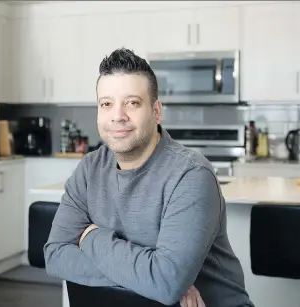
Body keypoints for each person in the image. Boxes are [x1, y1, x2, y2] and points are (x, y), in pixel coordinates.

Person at [43, 48, 254, 307]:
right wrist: (151, 278)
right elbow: (55, 255)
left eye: (132, 102)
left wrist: (90, 238)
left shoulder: (190, 175)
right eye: (106, 104)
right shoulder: (89, 170)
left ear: (156, 112)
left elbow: (166, 282)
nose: (117, 115)